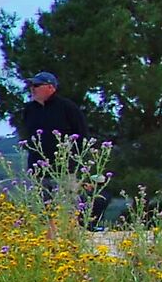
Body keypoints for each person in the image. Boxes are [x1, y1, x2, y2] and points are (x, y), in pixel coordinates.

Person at [15, 71, 105, 222]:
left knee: (67, 209)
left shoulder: (67, 108)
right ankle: (47, 242)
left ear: (50, 87)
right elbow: (26, 135)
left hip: (64, 169)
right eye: (31, 85)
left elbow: (82, 135)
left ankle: (68, 241)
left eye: (37, 85)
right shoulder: (29, 110)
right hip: (38, 169)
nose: (32, 88)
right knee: (41, 210)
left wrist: (75, 162)